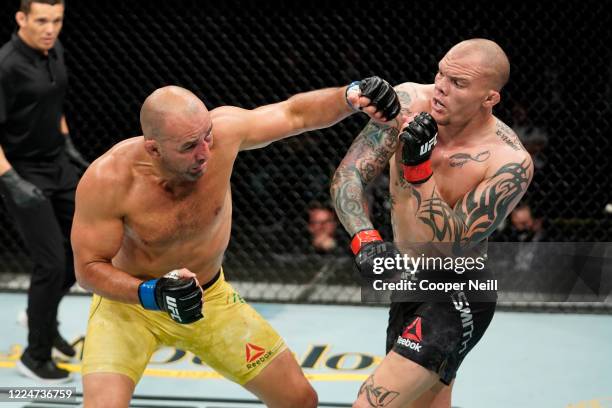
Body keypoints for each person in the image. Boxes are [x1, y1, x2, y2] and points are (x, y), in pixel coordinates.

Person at [71, 78, 401, 407]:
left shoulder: (223, 133)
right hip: (130, 308)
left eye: (206, 138)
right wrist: (153, 292)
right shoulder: (109, 180)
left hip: (209, 297)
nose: (204, 153)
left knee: (299, 400)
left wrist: (350, 95)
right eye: (188, 147)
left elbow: (294, 114)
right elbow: (88, 269)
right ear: (153, 148)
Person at [331, 39, 533, 407]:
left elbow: (452, 245)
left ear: (489, 99)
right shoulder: (407, 103)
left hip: (459, 289)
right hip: (407, 281)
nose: (440, 86)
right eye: (441, 73)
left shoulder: (508, 162)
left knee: (372, 403)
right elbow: (348, 177)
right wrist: (365, 238)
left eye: (458, 83)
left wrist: (419, 170)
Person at [0, 0, 89, 382]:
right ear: (21, 19)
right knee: (51, 263)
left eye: (57, 20)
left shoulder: (53, 49)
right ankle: (34, 358)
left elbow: (53, 100)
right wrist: (11, 180)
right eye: (41, 20)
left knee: (86, 249)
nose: (50, 27)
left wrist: (66, 141)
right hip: (23, 171)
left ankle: (42, 314)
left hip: (57, 164)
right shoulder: (6, 65)